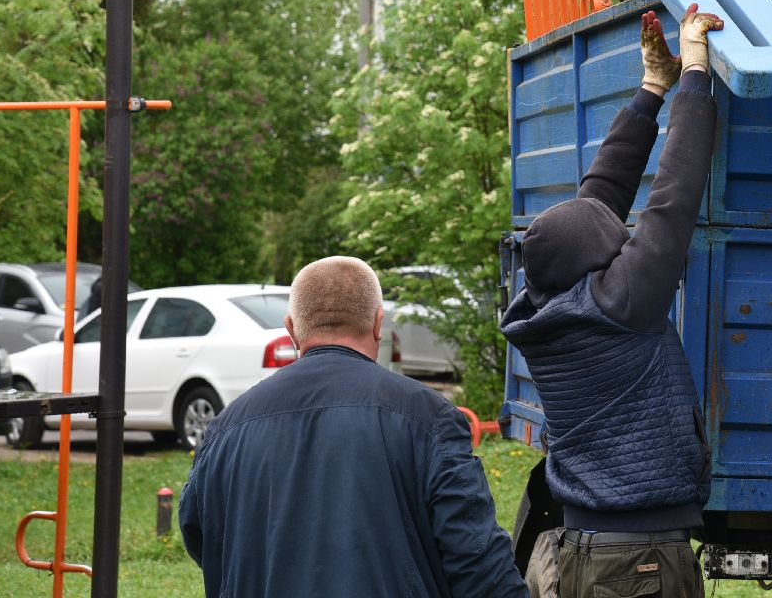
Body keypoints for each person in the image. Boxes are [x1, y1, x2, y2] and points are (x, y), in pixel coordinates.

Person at [501, 3, 724, 598]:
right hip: (635, 568)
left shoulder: (546, 300)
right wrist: (696, 73)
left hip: (588, 551)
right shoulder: (620, 306)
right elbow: (674, 197)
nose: (626, 238)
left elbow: (597, 196)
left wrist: (652, 88)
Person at [179, 255, 527, 598]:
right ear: (378, 323)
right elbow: (477, 560)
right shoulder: (429, 417)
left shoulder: (225, 429)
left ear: (291, 330)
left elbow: (200, 534)